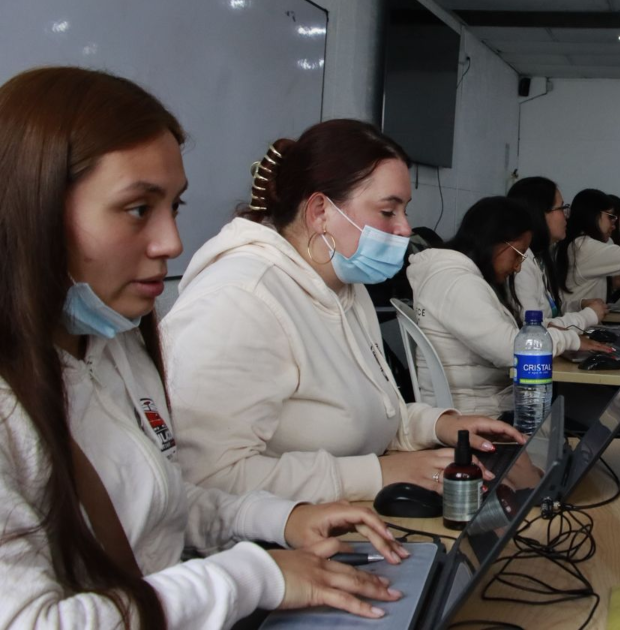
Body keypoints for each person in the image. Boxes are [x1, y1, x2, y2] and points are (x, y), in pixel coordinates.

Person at [0, 67, 409, 628]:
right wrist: (256, 576)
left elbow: (159, 508)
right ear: (33, 206)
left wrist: (282, 519)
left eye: (175, 208)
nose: (171, 242)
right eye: (139, 208)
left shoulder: (112, 343)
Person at [163, 120, 522, 504]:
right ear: (320, 211)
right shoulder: (240, 298)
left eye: (404, 210)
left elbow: (366, 418)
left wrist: (440, 424)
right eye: (388, 211)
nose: (405, 229)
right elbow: (206, 478)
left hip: (343, 517)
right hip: (267, 547)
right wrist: (376, 474)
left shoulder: (344, 287)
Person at [406, 197, 610, 418]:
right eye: (518, 253)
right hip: (476, 417)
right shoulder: (456, 283)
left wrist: (556, 336)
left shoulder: (459, 278)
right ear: (494, 242)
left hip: (484, 407)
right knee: (592, 417)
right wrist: (571, 339)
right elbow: (511, 350)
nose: (517, 266)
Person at [507, 176, 608, 331]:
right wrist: (588, 316)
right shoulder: (521, 262)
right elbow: (534, 328)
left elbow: (552, 311)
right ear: (539, 214)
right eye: (561, 208)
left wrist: (579, 305)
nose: (566, 215)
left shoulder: (540, 256)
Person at [554, 188, 620, 312]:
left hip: (584, 320)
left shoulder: (579, 242)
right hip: (578, 324)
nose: (614, 224)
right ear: (593, 216)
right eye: (611, 217)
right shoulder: (584, 247)